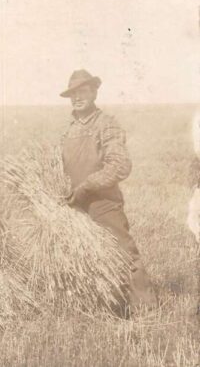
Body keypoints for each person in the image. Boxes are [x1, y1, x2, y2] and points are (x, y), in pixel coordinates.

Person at [59, 69, 158, 316]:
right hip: (75, 204)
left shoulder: (106, 125)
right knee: (83, 258)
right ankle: (100, 310)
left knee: (124, 255)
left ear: (94, 92)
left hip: (102, 203)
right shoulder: (69, 129)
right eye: (73, 93)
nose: (78, 97)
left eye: (83, 91)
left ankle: (145, 312)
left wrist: (86, 186)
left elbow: (120, 166)